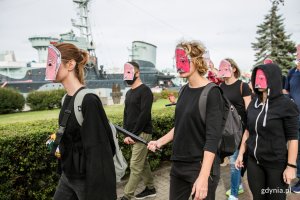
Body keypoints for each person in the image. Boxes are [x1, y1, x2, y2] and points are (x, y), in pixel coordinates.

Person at [148, 40, 224, 200]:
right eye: (177, 61)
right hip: (178, 165)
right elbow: (180, 126)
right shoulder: (183, 91)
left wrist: (203, 177)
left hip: (200, 167)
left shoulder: (212, 92)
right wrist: (159, 141)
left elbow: (213, 138)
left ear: (196, 61)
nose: (178, 65)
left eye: (183, 60)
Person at [48, 43, 117, 199]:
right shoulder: (66, 98)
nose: (49, 67)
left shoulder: (89, 100)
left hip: (86, 180)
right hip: (68, 175)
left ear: (70, 64)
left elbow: (99, 153)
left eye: (52, 62)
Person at [236, 63, 299, 199]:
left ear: (273, 79)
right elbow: (248, 130)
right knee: (258, 197)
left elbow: (293, 138)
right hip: (254, 162)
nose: (258, 82)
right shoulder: (254, 103)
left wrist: (291, 166)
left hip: (276, 165)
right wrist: (241, 153)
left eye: (262, 78)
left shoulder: (287, 105)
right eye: (257, 78)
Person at [121, 61, 156, 200]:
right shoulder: (129, 93)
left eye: (129, 72)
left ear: (137, 73)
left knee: (135, 165)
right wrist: (126, 134)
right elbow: (126, 113)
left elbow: (144, 115)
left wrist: (134, 135)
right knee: (143, 162)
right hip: (132, 134)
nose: (126, 76)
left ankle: (127, 196)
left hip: (142, 133)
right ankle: (150, 188)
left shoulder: (145, 91)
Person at [218, 58, 252, 200]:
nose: (224, 71)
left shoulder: (242, 86)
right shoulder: (220, 87)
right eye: (222, 68)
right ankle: (237, 185)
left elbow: (249, 110)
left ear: (234, 69)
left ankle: (233, 194)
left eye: (227, 68)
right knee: (235, 158)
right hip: (227, 130)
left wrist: (249, 130)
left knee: (234, 161)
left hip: (240, 129)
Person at [283, 50, 300, 193]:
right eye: (298, 52)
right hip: (295, 117)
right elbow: (286, 91)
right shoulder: (292, 72)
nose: (298, 54)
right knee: (296, 147)